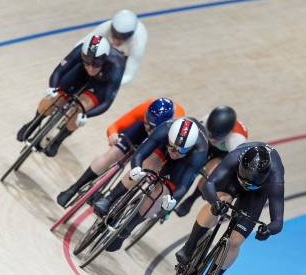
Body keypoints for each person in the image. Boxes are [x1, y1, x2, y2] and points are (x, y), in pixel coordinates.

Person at [92, 117, 209, 252]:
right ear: (169, 137)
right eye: (172, 146)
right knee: (148, 164)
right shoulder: (165, 129)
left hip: (183, 163)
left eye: (180, 150)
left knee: (161, 193)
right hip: (162, 146)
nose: (174, 152)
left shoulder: (199, 152)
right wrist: (136, 168)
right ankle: (110, 198)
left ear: (189, 148)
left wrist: (172, 199)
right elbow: (139, 154)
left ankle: (127, 230)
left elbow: (183, 185)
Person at [175, 142, 285, 275]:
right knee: (222, 200)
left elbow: (278, 221)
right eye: (244, 181)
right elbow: (208, 184)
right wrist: (216, 203)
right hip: (233, 179)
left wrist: (268, 230)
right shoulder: (235, 157)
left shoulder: (276, 179)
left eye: (250, 185)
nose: (246, 186)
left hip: (256, 194)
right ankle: (189, 248)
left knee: (235, 241)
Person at [56, 97, 185, 207]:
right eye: (147, 123)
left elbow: (169, 158)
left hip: (162, 140)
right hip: (141, 131)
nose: (148, 129)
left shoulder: (174, 129)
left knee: (147, 165)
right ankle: (74, 188)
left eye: (152, 128)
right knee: (113, 153)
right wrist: (113, 135)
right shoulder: (145, 108)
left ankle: (112, 200)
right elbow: (114, 127)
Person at [16, 34, 125, 157]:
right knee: (54, 98)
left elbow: (107, 102)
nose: (90, 68)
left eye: (95, 65)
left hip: (100, 84)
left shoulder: (117, 64)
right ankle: (34, 122)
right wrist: (53, 88)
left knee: (79, 110)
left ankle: (58, 140)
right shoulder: (80, 49)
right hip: (79, 75)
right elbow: (58, 71)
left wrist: (86, 114)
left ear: (104, 60)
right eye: (87, 63)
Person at [174, 106, 248, 216]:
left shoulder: (236, 141)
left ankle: (191, 199)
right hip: (206, 144)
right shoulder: (205, 120)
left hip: (225, 153)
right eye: (211, 133)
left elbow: (234, 168)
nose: (213, 137)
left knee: (210, 173)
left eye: (216, 136)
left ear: (228, 133)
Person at [78, 9, 147, 86]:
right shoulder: (106, 27)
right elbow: (83, 42)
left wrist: (108, 84)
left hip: (124, 55)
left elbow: (128, 75)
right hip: (107, 48)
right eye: (115, 36)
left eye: (122, 38)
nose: (116, 42)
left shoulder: (138, 42)